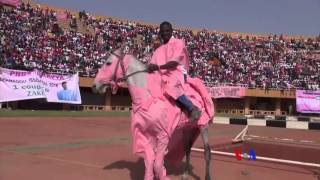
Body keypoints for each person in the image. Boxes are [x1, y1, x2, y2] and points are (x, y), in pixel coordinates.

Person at [147, 21, 201, 122]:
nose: (165, 33)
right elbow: (152, 67)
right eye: (163, 31)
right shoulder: (158, 50)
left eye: (167, 31)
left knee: (170, 86)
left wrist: (157, 67)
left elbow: (174, 63)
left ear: (171, 31)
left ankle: (192, 108)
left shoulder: (178, 42)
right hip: (163, 74)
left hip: (178, 72)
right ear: (160, 33)